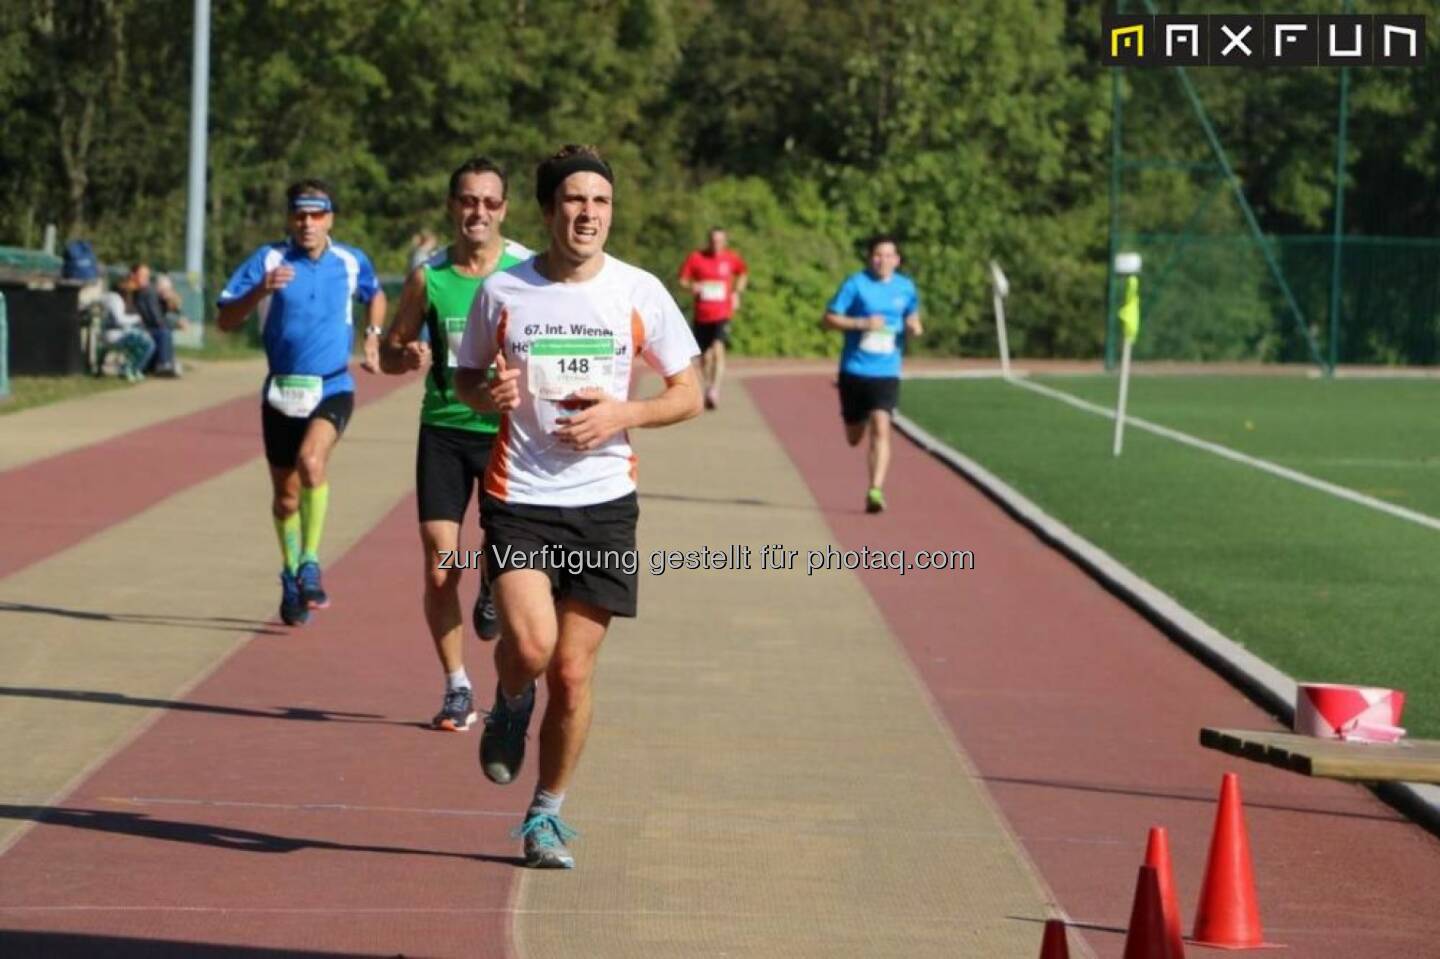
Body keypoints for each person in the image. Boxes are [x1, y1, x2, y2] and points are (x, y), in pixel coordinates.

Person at [455, 144, 702, 868]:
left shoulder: (639, 290)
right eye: (574, 200)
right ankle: (507, 699)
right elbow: (468, 378)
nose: (589, 213)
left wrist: (621, 413)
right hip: (522, 497)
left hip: (603, 504)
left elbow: (686, 394)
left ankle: (546, 814)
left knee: (570, 673)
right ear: (548, 209)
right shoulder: (503, 291)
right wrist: (487, 396)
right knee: (529, 649)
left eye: (600, 200)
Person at [380, 157, 531, 732]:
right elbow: (392, 350)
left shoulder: (526, 271)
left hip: (507, 436)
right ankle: (458, 687)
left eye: (491, 202)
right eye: (469, 200)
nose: (479, 212)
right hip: (443, 430)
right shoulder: (429, 276)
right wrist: (404, 356)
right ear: (452, 206)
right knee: (442, 566)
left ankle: (493, 585)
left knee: (502, 555)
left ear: (505, 210)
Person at [215, 178, 386, 626]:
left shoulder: (351, 261)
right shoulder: (268, 260)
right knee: (286, 498)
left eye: (316, 215)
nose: (307, 223)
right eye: (299, 215)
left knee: (312, 462)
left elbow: (375, 293)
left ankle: (310, 562)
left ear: (330, 217)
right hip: (281, 391)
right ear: (289, 218)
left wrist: (373, 335)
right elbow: (225, 320)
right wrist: (261, 290)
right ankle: (291, 573)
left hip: (333, 386)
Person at [822, 233, 923, 514]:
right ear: (870, 258)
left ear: (897, 260)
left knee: (882, 425)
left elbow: (912, 314)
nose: (883, 261)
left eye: (889, 255)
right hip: (854, 370)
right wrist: (861, 322)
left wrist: (914, 325)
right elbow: (828, 319)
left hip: (887, 370)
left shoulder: (906, 287)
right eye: (878, 255)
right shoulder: (856, 284)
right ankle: (858, 419)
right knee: (854, 437)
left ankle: (875, 490)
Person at [677, 227, 747, 410]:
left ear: (725, 242)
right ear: (709, 241)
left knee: (718, 348)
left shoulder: (731, 258)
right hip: (702, 313)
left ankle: (715, 389)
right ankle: (708, 387)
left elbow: (743, 273)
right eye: (713, 240)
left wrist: (736, 293)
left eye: (720, 241)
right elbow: (682, 280)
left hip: (722, 313)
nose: (717, 244)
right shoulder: (696, 258)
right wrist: (693, 286)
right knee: (705, 357)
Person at [128, 262, 180, 377]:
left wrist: (168, 300)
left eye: (147, 276)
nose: (146, 279)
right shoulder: (131, 291)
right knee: (164, 332)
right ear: (133, 275)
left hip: (148, 326)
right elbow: (150, 315)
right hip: (137, 327)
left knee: (165, 330)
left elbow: (162, 310)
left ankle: (164, 364)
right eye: (143, 275)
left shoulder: (149, 291)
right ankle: (163, 364)